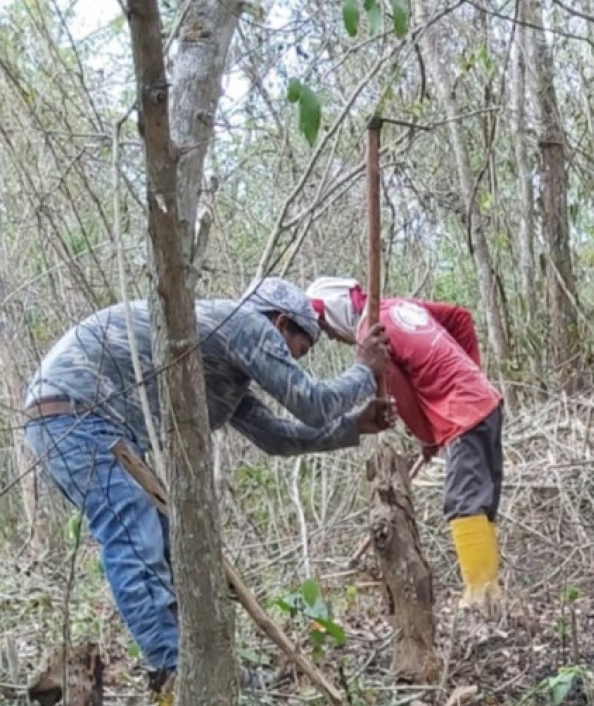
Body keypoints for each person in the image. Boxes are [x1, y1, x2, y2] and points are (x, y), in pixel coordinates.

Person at [21, 277, 398, 685]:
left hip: (78, 420)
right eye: (299, 350)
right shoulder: (243, 325)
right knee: (134, 533)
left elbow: (274, 437)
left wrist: (353, 426)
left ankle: (203, 668)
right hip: (76, 415)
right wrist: (364, 370)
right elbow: (312, 404)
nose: (294, 362)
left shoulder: (220, 359)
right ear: (280, 323)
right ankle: (176, 671)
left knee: (168, 542)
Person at [305, 277, 505, 611]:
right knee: (479, 500)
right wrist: (473, 375)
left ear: (335, 314)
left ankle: (481, 594)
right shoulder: (397, 306)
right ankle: (490, 594)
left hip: (462, 412)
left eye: (326, 328)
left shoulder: (370, 336)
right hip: (485, 403)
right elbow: (460, 318)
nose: (330, 336)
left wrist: (427, 436)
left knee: (464, 502)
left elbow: (402, 394)